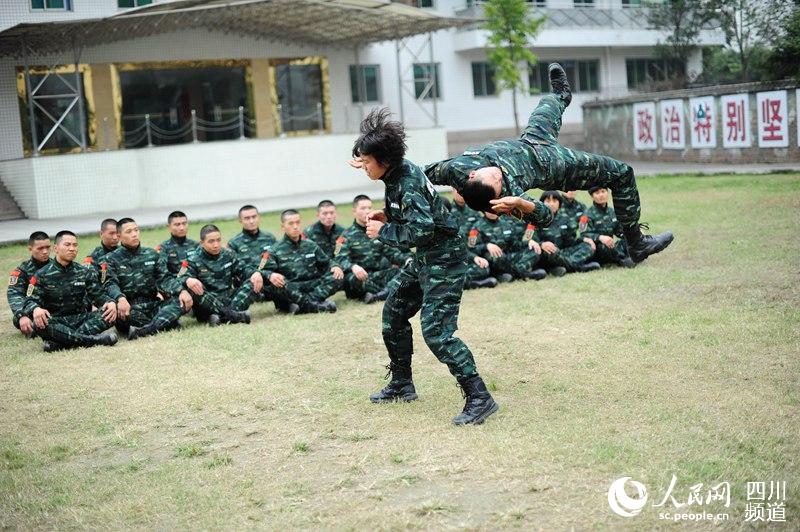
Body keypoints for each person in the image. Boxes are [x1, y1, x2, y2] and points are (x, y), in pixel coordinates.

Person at [423, 63, 673, 264]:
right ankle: (636, 243)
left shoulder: (455, 169)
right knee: (622, 173)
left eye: (494, 176)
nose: (498, 175)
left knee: (549, 103)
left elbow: (419, 175)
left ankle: (562, 95)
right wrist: (521, 203)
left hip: (533, 138)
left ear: (472, 175)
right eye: (498, 181)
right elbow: (545, 217)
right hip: (555, 165)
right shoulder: (507, 199)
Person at [348, 108, 498, 426]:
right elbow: (416, 214)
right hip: (426, 258)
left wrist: (383, 231)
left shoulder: (406, 182)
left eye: (367, 161)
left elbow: (423, 230)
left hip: (445, 259)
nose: (364, 166)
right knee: (394, 314)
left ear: (384, 160)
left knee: (437, 332)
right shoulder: (395, 174)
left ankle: (480, 397)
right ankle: (402, 384)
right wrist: (388, 215)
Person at [23, 230, 118, 352]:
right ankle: (94, 340)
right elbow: (29, 300)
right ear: (56, 248)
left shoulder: (84, 271)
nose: (72, 249)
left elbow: (98, 295)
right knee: (40, 324)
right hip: (56, 321)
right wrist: (36, 309)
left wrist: (110, 302)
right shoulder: (41, 275)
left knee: (109, 313)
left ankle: (61, 343)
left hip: (81, 319)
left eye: (75, 245)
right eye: (67, 245)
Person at [101, 218, 193, 340]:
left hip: (153, 305)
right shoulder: (110, 259)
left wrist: (181, 291)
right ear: (119, 235)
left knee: (180, 301)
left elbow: (164, 278)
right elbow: (109, 283)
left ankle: (146, 330)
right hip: (129, 308)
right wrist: (120, 298)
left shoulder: (152, 254)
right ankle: (166, 322)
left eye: (136, 230)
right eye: (129, 231)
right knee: (118, 313)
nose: (134, 234)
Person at [261, 210, 342, 314]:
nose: (295, 226)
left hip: (312, 286)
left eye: (297, 222)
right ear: (283, 227)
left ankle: (303, 305)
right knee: (279, 284)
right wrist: (271, 275)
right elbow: (261, 270)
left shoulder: (311, 245)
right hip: (291, 288)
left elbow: (327, 262)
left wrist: (335, 266)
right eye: (291, 223)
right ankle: (313, 305)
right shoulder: (273, 250)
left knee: (337, 276)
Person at [336, 195, 408, 303]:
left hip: (377, 275)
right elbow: (338, 258)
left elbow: (392, 253)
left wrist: (407, 260)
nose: (367, 211)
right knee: (352, 279)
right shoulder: (343, 236)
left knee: (401, 272)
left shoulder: (377, 231)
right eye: (363, 208)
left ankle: (379, 295)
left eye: (369, 208)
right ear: (354, 211)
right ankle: (391, 291)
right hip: (359, 278)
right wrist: (353, 267)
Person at [180, 224, 256, 326]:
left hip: (228, 298)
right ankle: (235, 316)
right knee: (194, 289)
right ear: (202, 243)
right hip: (207, 302)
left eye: (218, 240)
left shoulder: (228, 254)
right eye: (211, 241)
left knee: (253, 281)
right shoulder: (192, 259)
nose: (216, 245)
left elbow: (245, 269)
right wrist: (188, 279)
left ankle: (220, 317)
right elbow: (179, 277)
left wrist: (255, 274)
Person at [534, 191, 600, 276]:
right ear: (542, 203)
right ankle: (578, 267)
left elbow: (572, 241)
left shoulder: (565, 218)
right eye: (548, 201)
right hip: (548, 252)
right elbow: (530, 240)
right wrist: (542, 244)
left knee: (588, 246)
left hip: (563, 252)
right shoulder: (536, 220)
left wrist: (584, 239)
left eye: (554, 201)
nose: (551, 204)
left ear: (559, 204)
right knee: (549, 251)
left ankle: (561, 268)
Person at [472, 211, 547, 281]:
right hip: (494, 259)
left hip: (509, 257)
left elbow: (515, 243)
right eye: (488, 209)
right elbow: (472, 248)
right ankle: (519, 274)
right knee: (496, 256)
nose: (492, 211)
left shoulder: (506, 224)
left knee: (534, 249)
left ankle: (515, 273)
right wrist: (486, 246)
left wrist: (529, 242)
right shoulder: (476, 227)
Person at [7, 231, 51, 338]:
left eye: (47, 247)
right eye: (40, 248)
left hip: (56, 308)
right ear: (30, 249)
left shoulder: (57, 266)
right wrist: (21, 315)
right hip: (32, 310)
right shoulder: (22, 271)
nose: (45, 251)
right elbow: (14, 294)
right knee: (18, 319)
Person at [580, 186, 635, 268]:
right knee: (604, 247)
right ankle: (622, 259)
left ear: (607, 193)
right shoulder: (585, 215)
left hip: (611, 246)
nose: (601, 195)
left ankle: (630, 255)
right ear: (592, 196)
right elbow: (583, 234)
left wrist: (633, 233)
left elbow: (619, 231)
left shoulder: (612, 211)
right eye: (597, 193)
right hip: (598, 248)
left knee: (630, 239)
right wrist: (600, 237)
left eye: (603, 191)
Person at [157, 211, 198, 275]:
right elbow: (162, 273)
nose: (182, 228)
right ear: (169, 227)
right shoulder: (163, 248)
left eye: (184, 223)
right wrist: (184, 279)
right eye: (177, 225)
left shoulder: (196, 245)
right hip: (174, 280)